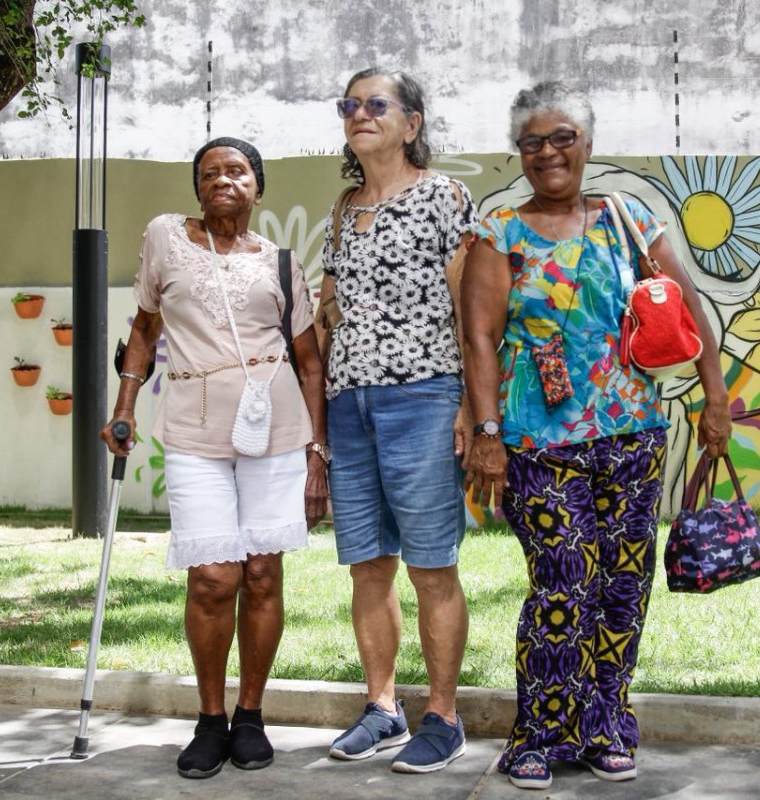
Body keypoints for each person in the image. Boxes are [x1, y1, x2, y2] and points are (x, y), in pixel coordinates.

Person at [461, 82, 732, 791]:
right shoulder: (499, 234)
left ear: (587, 144)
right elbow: (480, 341)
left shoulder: (629, 219)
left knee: (623, 585)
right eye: (532, 143)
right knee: (562, 580)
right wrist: (487, 433)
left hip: (634, 434)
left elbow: (687, 305)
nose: (548, 153)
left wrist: (717, 395)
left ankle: (607, 722)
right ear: (518, 153)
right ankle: (539, 733)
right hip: (538, 444)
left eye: (562, 139)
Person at [102, 137, 329, 780]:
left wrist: (318, 452)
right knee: (213, 578)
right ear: (196, 188)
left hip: (276, 429)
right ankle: (209, 717)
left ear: (258, 187)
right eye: (210, 173)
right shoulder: (166, 240)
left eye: (237, 171)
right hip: (195, 429)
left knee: (262, 574)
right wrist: (123, 406)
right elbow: (144, 330)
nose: (223, 180)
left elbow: (310, 363)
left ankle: (250, 714)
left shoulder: (281, 264)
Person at [319, 67, 478, 774]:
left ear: (412, 123)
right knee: (367, 567)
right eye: (350, 105)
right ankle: (382, 708)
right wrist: (318, 413)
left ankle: (443, 716)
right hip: (349, 406)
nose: (359, 113)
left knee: (430, 566)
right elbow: (329, 308)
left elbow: (470, 312)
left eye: (375, 104)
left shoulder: (444, 197)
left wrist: (475, 407)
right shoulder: (343, 207)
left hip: (423, 398)